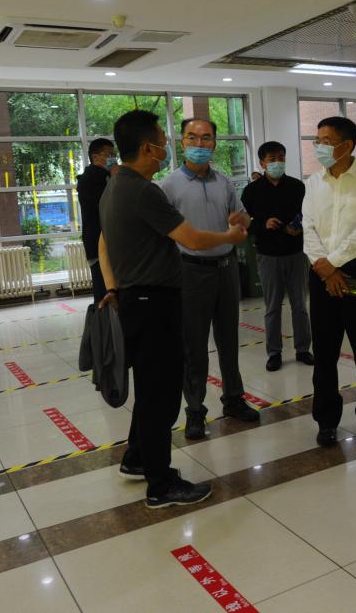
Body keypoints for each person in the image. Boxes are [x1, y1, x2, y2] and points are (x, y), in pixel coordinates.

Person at [98, 109, 247, 509]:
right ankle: (161, 485)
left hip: (138, 298)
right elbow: (192, 239)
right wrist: (230, 235)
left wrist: (112, 287)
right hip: (153, 302)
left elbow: (105, 243)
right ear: (148, 148)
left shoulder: (116, 185)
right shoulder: (147, 191)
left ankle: (136, 458)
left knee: (150, 388)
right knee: (161, 394)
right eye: (165, 141)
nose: (168, 148)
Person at [160, 118, 260, 440]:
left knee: (229, 339)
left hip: (226, 269)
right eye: (192, 138)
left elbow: (243, 221)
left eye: (205, 139)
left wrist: (242, 220)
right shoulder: (168, 186)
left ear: (214, 143)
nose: (199, 144)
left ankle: (233, 399)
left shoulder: (224, 183)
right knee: (194, 346)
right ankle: (195, 410)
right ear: (182, 143)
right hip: (190, 271)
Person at [303, 116, 356, 448]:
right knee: (324, 352)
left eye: (325, 141)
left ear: (347, 145)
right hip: (321, 274)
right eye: (317, 141)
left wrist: (333, 264)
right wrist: (325, 269)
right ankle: (326, 421)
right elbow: (308, 227)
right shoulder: (313, 182)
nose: (319, 147)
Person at [241, 141, 314, 372]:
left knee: (299, 305)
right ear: (262, 163)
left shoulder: (297, 187)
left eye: (281, 158)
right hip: (268, 255)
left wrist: (298, 226)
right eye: (272, 159)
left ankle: (303, 349)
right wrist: (262, 224)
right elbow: (245, 222)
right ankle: (274, 353)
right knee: (272, 307)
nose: (277, 163)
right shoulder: (251, 191)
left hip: (296, 253)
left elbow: (308, 213)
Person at [77, 138, 118, 303]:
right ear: (95, 157)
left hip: (107, 242)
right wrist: (115, 179)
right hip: (98, 244)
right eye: (109, 155)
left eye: (114, 155)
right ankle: (102, 319)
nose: (113, 158)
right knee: (105, 294)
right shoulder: (91, 179)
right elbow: (109, 204)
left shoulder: (104, 176)